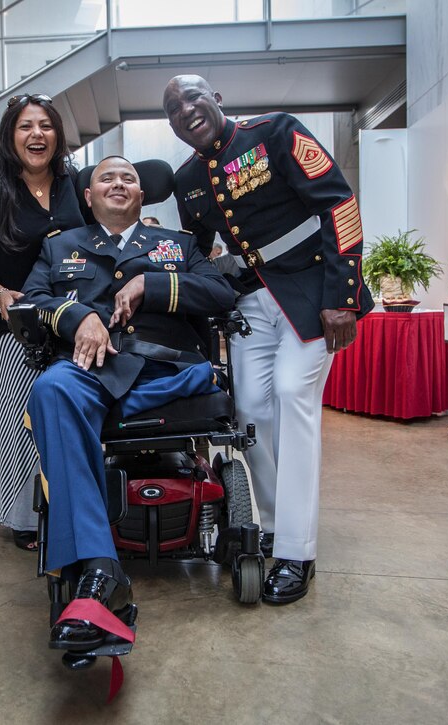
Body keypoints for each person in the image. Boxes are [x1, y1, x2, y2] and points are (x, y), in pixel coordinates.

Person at [163, 74, 373, 605]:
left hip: (313, 292)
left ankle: (298, 553)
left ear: (217, 99)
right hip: (251, 303)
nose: (186, 110)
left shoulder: (275, 131)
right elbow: (196, 252)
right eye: (173, 108)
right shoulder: (189, 179)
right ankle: (276, 524)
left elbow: (340, 204)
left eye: (193, 97)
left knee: (291, 394)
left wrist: (342, 297)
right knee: (250, 410)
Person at [22, 155, 235, 650]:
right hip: (94, 368)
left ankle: (93, 563)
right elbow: (30, 302)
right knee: (52, 388)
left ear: (142, 195)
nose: (119, 183)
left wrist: (153, 284)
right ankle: (100, 568)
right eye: (106, 178)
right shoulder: (60, 248)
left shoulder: (178, 245)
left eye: (129, 178)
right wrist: (77, 316)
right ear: (89, 196)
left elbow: (222, 292)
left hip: (168, 367)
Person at [0, 93, 86, 551]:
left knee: (65, 417)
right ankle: (25, 518)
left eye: (46, 126)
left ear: (58, 135)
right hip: (12, 325)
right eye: (26, 126)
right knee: (20, 421)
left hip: (67, 322)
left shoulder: (74, 185)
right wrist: (1, 296)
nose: (37, 135)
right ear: (11, 135)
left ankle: (68, 504)